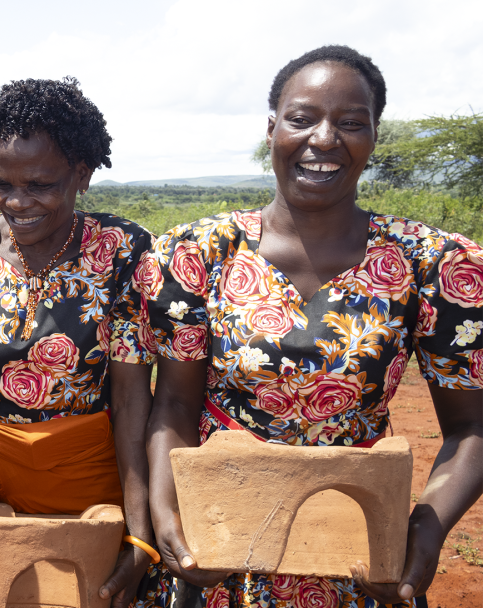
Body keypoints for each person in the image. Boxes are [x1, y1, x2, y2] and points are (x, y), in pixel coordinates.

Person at [138, 45, 483, 608]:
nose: (324, 139)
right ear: (272, 127)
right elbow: (173, 406)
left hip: (358, 547)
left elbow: (472, 428)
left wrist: (425, 527)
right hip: (221, 543)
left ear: (374, 137)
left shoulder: (433, 263)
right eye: (302, 119)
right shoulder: (200, 252)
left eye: (351, 123)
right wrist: (170, 516)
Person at [0, 77, 159, 608]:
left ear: (82, 175)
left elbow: (132, 396)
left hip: (83, 469)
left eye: (41, 185)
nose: (18, 202)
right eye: (3, 184)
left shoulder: (123, 252)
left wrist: (141, 531)